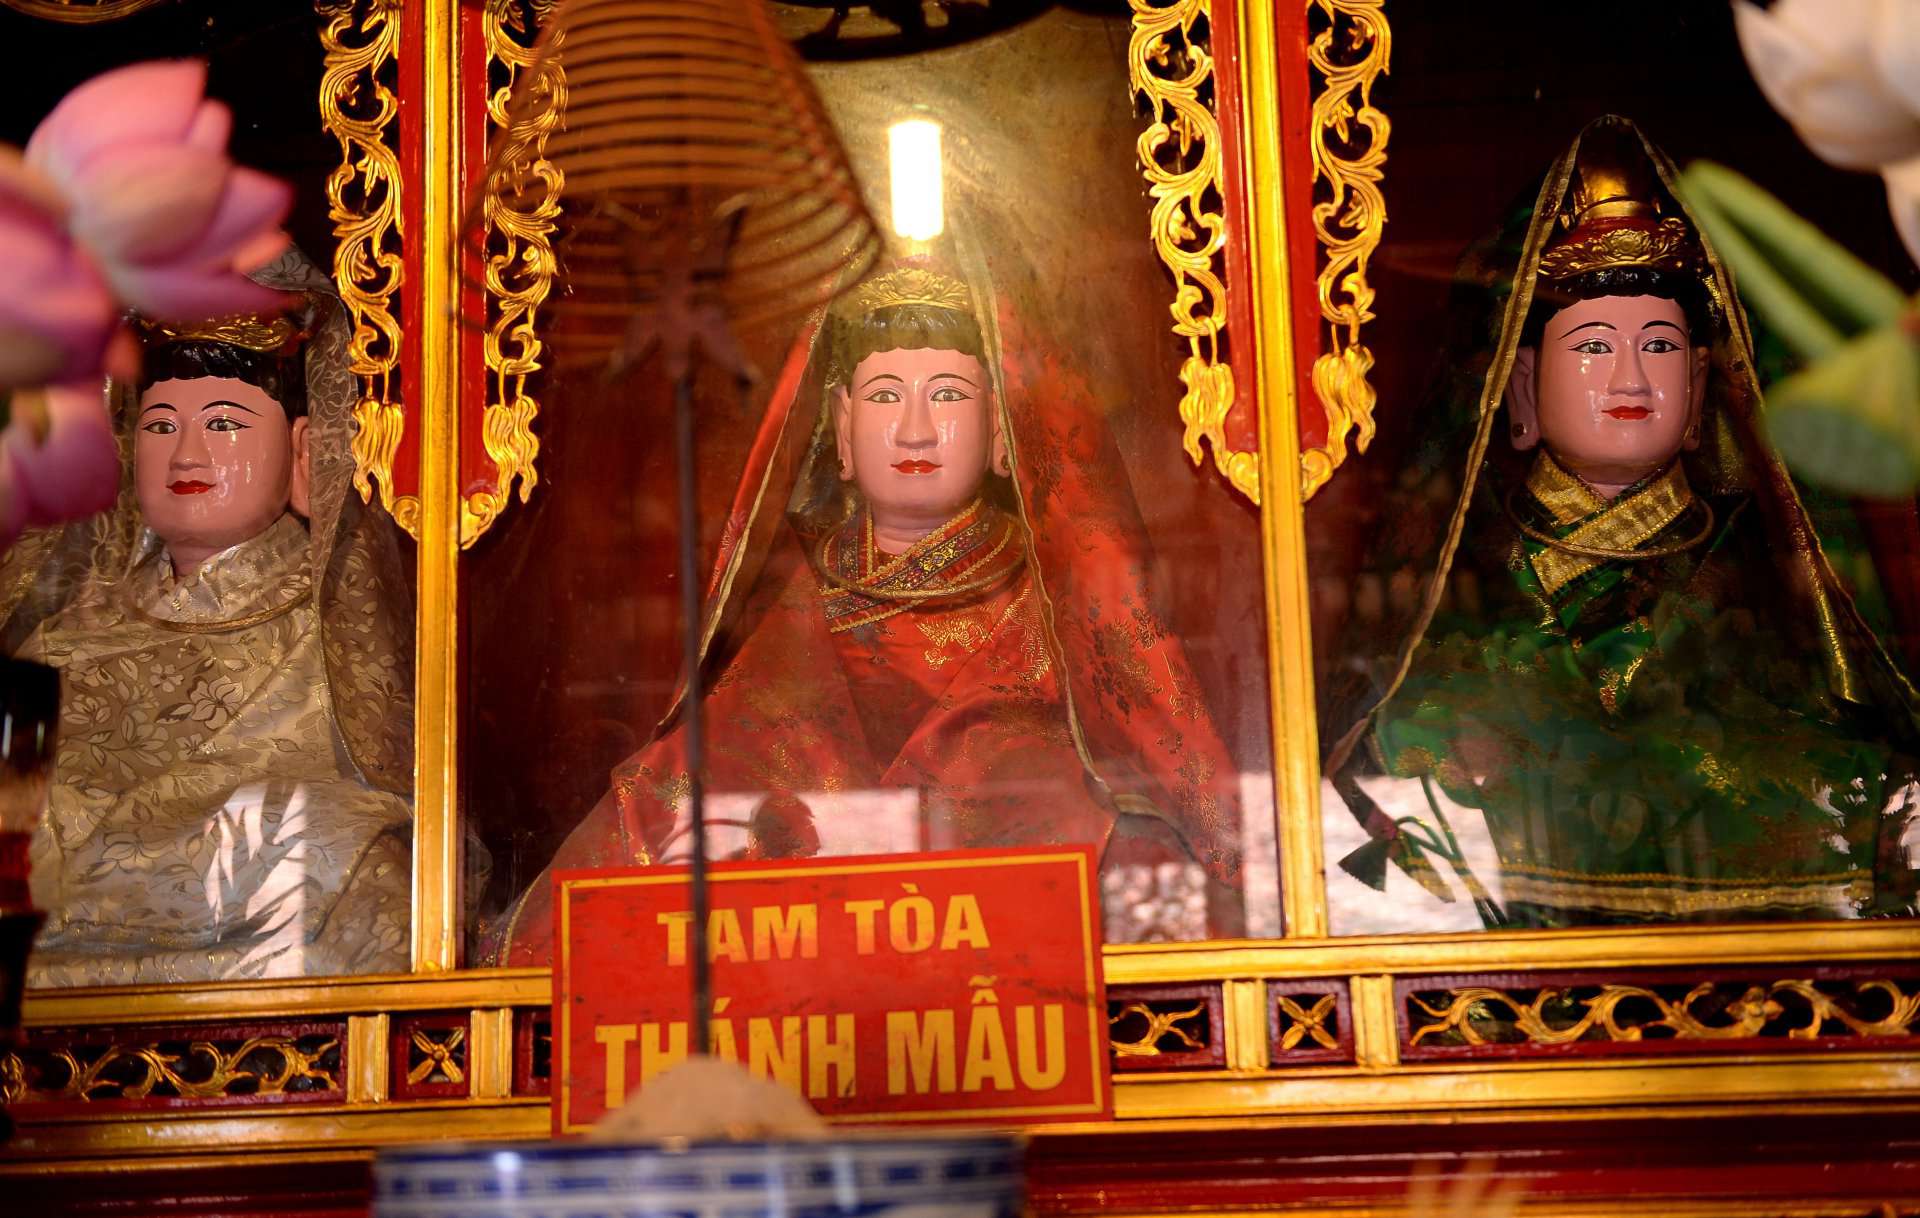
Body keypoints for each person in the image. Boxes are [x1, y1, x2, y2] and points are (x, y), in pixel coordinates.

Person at [490, 262, 1246, 962]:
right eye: (885, 396)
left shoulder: (1060, 628)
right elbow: (654, 827)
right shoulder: (781, 638)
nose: (915, 429)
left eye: (947, 395)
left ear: (1002, 431)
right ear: (842, 429)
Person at [1329, 117, 1920, 928]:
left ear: (1702, 385)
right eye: (1594, 347)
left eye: (1662, 347)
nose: (1633, 379)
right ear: (1522, 388)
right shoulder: (1451, 601)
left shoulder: (1773, 593)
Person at [2, 249, 415, 985]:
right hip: (62, 905)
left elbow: (367, 794)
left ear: (303, 454)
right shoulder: (72, 625)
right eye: (160, 427)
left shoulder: (332, 622)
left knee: (347, 855)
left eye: (223, 424)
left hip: (247, 888)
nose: (186, 454)